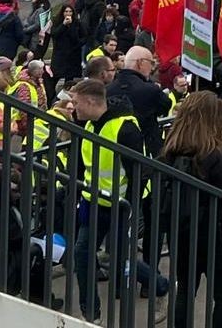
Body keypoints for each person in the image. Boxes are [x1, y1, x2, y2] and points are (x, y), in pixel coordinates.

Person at [70, 77, 167, 320]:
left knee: (122, 260)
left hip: (121, 206)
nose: (74, 108)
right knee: (82, 253)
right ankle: (91, 313)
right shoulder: (91, 124)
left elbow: (139, 171)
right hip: (93, 202)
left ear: (92, 101)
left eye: (76, 103)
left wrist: (132, 209)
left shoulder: (125, 128)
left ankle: (162, 287)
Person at [159, 90, 222, 328]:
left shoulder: (170, 150)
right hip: (214, 233)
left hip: (181, 230)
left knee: (185, 290)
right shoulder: (213, 154)